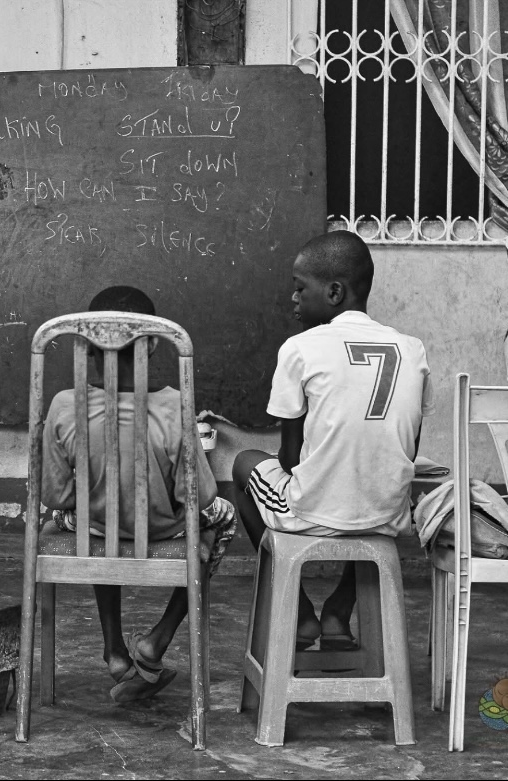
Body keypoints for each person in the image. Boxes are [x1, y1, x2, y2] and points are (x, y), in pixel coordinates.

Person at [232, 230, 434, 651]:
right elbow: (407, 451)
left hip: (311, 512)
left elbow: (288, 460)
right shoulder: (412, 349)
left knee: (243, 463)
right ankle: (339, 612)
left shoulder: (301, 348)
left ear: (335, 291)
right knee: (369, 497)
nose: (293, 299)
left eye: (300, 288)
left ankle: (302, 613)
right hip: (390, 517)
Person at [41, 286, 237, 703]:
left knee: (91, 524)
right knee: (226, 516)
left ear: (87, 343)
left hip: (91, 527)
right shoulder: (174, 407)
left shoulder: (63, 405)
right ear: (150, 345)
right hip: (164, 531)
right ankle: (157, 641)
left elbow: (55, 497)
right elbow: (201, 497)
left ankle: (114, 648)